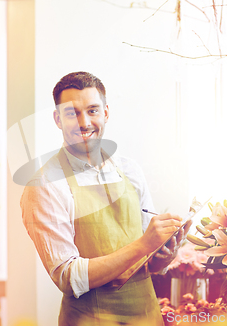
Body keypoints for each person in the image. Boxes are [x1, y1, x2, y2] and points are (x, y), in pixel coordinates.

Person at [20, 71, 190, 326]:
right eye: (71, 113)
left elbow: (147, 261)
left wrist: (164, 253)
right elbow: (68, 277)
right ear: (57, 119)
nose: (83, 122)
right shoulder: (44, 184)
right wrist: (144, 244)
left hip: (147, 317)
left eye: (92, 110)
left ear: (106, 113)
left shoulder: (130, 170)